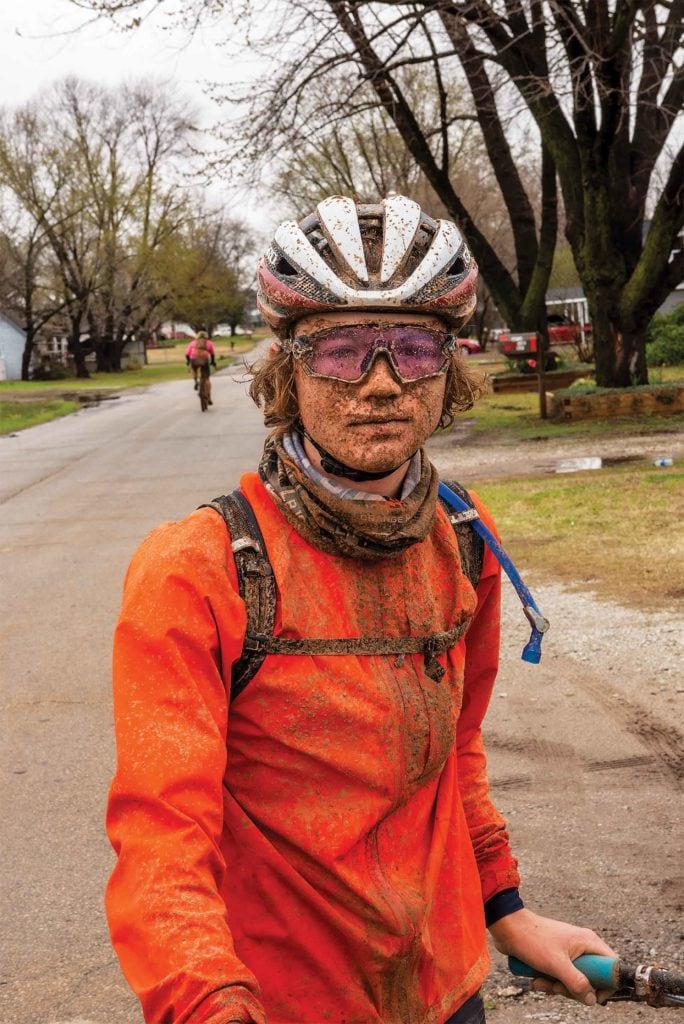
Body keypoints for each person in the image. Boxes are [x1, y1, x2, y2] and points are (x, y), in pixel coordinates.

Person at [107, 194, 614, 1024]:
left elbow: (456, 750)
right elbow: (161, 829)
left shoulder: (463, 533)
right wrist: (203, 1001)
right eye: (340, 350)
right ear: (288, 368)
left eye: (413, 347)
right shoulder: (198, 567)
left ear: (448, 368)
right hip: (279, 1003)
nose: (381, 384)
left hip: (446, 987)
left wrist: (506, 908)